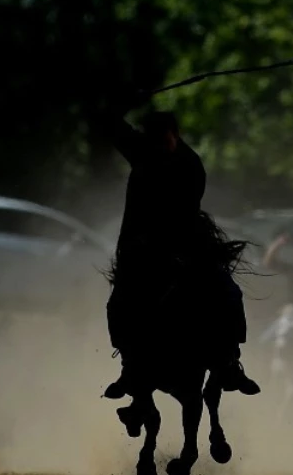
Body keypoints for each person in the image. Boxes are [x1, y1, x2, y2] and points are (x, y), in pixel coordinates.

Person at [101, 96, 260, 399]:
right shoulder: (141, 151)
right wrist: (123, 103)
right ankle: (129, 365)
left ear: (176, 135)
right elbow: (111, 125)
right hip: (140, 249)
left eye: (166, 139)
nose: (163, 145)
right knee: (118, 303)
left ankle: (229, 361)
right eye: (157, 140)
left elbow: (185, 210)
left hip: (186, 245)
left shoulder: (190, 164)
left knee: (229, 292)